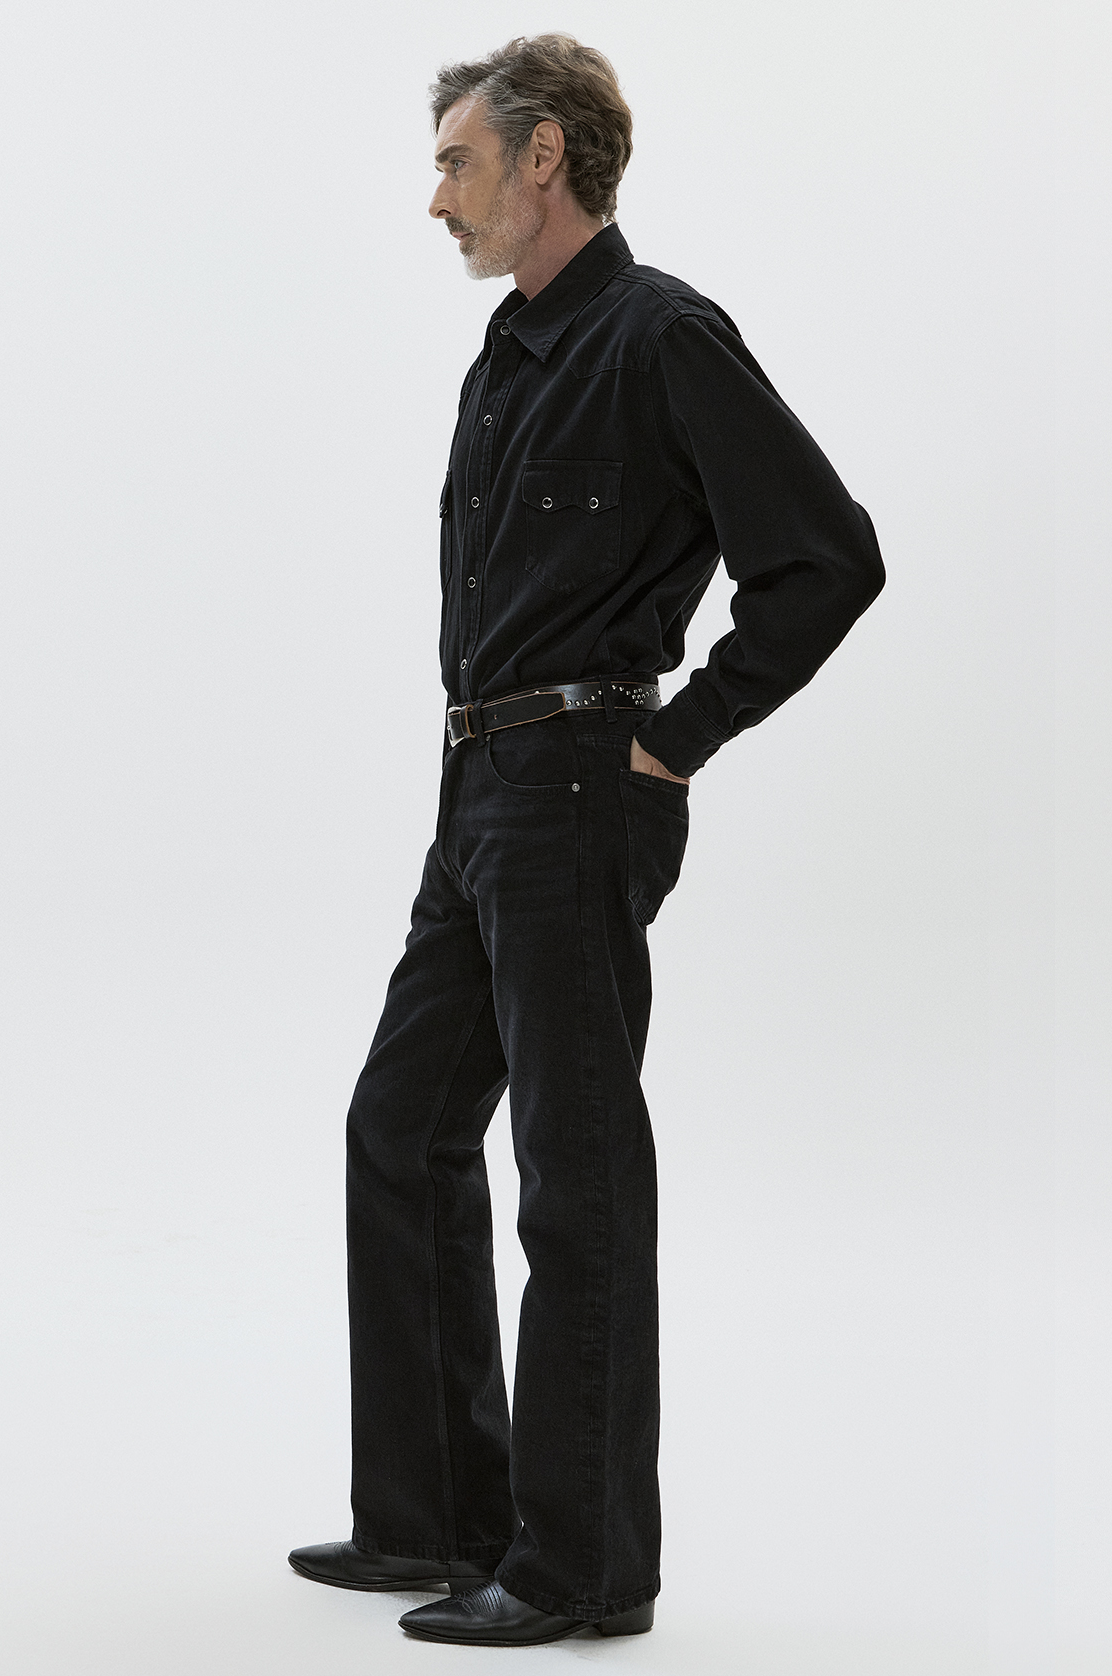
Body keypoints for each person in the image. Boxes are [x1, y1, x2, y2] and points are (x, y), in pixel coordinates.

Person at [288, 34, 885, 1648]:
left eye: (457, 163)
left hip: (572, 790)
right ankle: (433, 1516)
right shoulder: (509, 352)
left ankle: (582, 1570)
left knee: (575, 1174)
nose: (437, 199)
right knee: (400, 1127)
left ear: (543, 156)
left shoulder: (660, 337)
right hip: (476, 788)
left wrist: (678, 737)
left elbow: (826, 559)